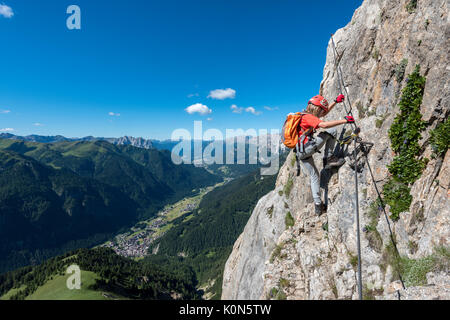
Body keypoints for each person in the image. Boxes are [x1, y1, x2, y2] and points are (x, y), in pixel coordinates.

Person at [297, 94, 355, 216]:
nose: (322, 112)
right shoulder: (308, 117)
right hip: (307, 149)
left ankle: (318, 206)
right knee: (332, 131)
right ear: (317, 108)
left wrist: (335, 101)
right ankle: (329, 158)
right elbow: (323, 124)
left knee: (314, 176)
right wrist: (345, 120)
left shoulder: (305, 115)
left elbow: (323, 114)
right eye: (321, 109)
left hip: (300, 152)